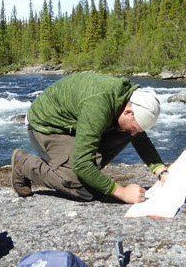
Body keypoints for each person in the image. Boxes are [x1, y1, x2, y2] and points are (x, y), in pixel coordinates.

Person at [11, 73, 168, 204]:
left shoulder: (131, 99)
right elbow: (82, 164)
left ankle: (70, 164)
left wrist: (161, 171)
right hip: (46, 126)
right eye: (135, 128)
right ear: (128, 112)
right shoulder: (98, 106)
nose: (134, 133)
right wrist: (121, 192)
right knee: (83, 188)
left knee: (125, 132)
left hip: (76, 123)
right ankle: (23, 163)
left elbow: (138, 136)